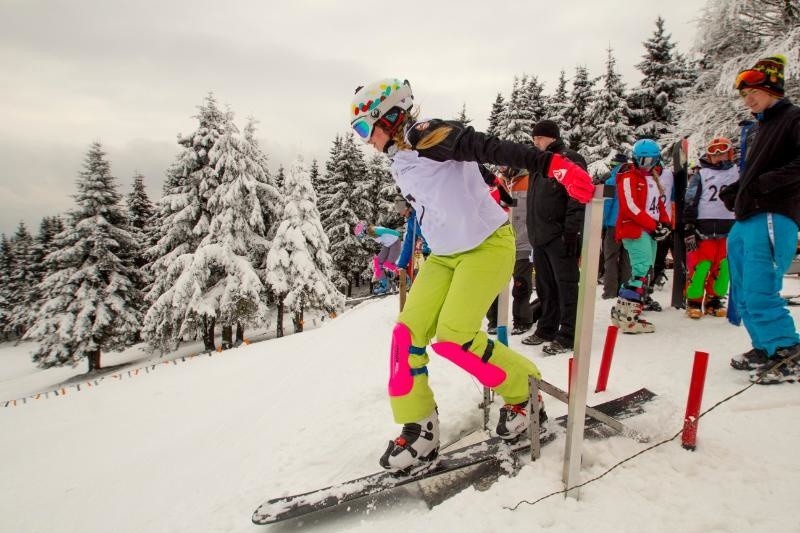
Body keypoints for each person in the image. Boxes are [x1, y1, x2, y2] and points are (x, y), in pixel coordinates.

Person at [350, 78, 594, 473]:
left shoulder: (427, 134)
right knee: (406, 335)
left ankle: (523, 396)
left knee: (454, 337)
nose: (364, 140)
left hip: (486, 245)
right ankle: (419, 427)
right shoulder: (400, 156)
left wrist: (552, 164)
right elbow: (440, 192)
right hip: (444, 255)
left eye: (365, 128)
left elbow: (486, 145)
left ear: (390, 117)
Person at [721, 55, 800, 384]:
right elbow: (758, 172)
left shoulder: (793, 118)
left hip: (773, 213)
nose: (748, 99)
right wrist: (736, 189)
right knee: (741, 286)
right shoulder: (762, 127)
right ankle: (765, 345)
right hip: (749, 215)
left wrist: (761, 187)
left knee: (759, 286)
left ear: (773, 90)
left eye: (754, 91)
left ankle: (787, 351)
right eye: (744, 94)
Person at [520, 120, 586, 356]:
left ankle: (568, 334)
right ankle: (546, 328)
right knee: (546, 287)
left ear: (552, 137)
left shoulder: (569, 159)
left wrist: (571, 230)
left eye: (539, 138)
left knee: (566, 286)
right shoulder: (539, 163)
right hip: (540, 235)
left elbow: (577, 196)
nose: (535, 142)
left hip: (560, 235)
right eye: (533, 138)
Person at [610, 139, 672, 334]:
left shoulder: (655, 178)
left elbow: (659, 204)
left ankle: (625, 310)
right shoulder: (628, 177)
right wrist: (654, 226)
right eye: (641, 160)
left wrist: (665, 223)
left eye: (649, 161)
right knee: (642, 270)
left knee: (647, 270)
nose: (645, 165)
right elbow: (631, 207)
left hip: (649, 230)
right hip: (634, 229)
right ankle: (629, 316)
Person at [683, 137, 738, 319]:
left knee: (722, 268)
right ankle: (694, 301)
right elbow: (691, 200)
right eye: (714, 154)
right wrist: (689, 226)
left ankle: (714, 300)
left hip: (728, 228)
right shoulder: (701, 174)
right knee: (701, 267)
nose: (718, 157)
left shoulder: (737, 172)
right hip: (703, 229)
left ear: (729, 153)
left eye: (722, 153)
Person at [601, 153, 632, 299]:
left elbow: (607, 205)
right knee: (627, 260)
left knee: (611, 258)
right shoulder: (633, 180)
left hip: (614, 226)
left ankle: (610, 291)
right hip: (629, 225)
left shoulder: (611, 181)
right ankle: (625, 290)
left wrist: (601, 223)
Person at [354, 221, 402, 295]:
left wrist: (398, 234)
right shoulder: (371, 234)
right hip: (387, 245)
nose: (363, 237)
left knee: (388, 264)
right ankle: (383, 284)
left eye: (361, 235)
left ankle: (404, 278)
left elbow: (387, 230)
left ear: (364, 230)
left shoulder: (376, 229)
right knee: (377, 262)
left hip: (395, 243)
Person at [393, 196, 429, 283]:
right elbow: (408, 244)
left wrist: (427, 247)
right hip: (430, 254)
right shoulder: (411, 222)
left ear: (408, 207)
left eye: (402, 212)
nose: (401, 215)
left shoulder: (421, 213)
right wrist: (401, 266)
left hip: (442, 249)